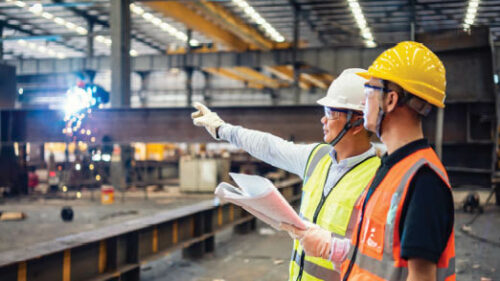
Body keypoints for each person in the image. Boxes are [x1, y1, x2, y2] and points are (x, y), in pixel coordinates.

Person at [191, 68, 381, 281]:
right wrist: (222, 129)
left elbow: (377, 258)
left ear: (356, 123)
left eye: (330, 113)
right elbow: (270, 147)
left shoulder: (379, 179)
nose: (323, 120)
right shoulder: (317, 157)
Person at [341, 42, 454, 281]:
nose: (364, 103)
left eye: (369, 91)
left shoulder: (423, 181)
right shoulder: (392, 166)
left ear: (390, 100)